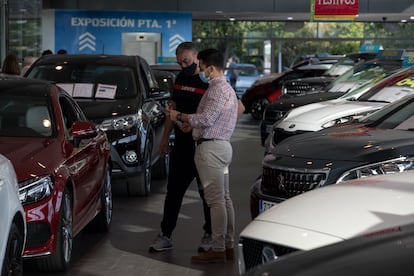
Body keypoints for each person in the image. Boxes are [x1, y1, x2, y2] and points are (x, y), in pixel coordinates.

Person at [169, 48, 240, 264]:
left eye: (200, 66)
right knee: (224, 199)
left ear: (210, 68)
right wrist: (192, 126)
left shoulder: (218, 90)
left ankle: (218, 248)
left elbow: (207, 118)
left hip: (211, 150)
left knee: (216, 201)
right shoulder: (225, 89)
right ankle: (227, 245)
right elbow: (211, 119)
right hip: (219, 147)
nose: (197, 70)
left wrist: (179, 115)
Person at [149, 42, 212, 253]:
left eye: (186, 61)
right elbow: (172, 111)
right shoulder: (180, 79)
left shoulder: (209, 83)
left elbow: (214, 116)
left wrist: (192, 125)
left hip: (202, 146)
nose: (182, 65)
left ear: (197, 57)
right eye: (179, 62)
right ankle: (165, 234)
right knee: (173, 192)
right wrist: (165, 138)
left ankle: (209, 234)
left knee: (207, 195)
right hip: (182, 148)